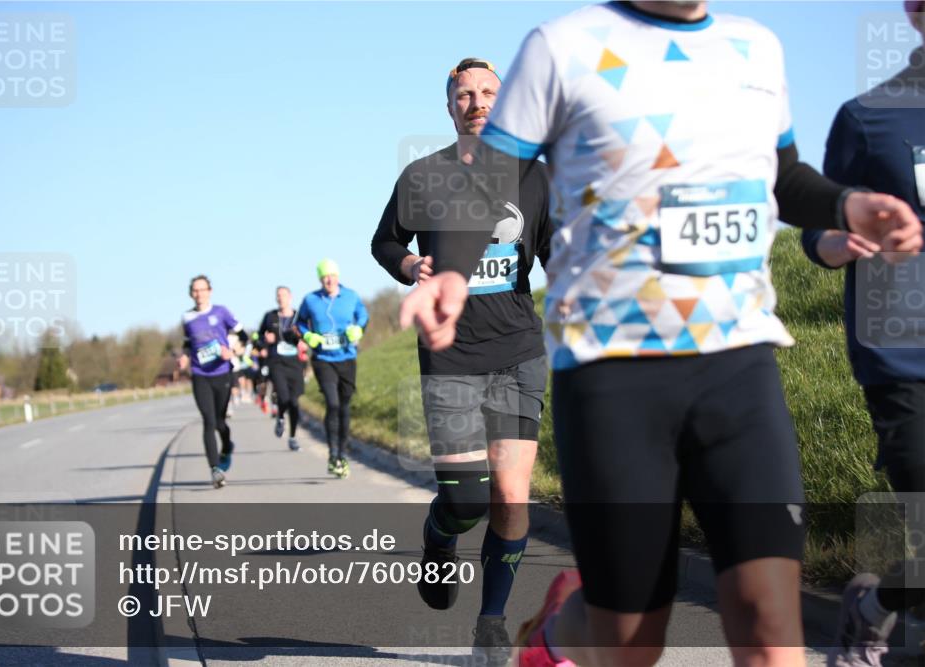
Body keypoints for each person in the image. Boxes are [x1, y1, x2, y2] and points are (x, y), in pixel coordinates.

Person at [397, 2, 924, 665]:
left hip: (739, 363)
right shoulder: (561, 47)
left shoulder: (754, 47)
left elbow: (783, 176)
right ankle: (558, 628)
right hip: (614, 369)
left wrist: (847, 203)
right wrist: (449, 270)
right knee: (628, 642)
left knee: (771, 629)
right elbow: (494, 176)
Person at [371, 57, 553, 663]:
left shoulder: (534, 176)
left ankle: (492, 622)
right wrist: (408, 266)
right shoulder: (423, 175)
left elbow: (559, 255)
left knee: (510, 496)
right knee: (466, 500)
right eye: (464, 94)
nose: (476, 102)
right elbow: (385, 240)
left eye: (487, 93)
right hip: (449, 357)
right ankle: (439, 539)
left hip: (519, 352)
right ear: (449, 107)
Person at [801, 4, 925, 664]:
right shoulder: (869, 117)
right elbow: (814, 228)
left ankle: (874, 606)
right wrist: (835, 243)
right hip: (903, 351)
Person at [297, 259, 369, 478]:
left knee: (344, 406)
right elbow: (299, 322)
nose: (329, 280)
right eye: (324, 276)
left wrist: (358, 329)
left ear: (338, 276)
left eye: (332, 276)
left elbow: (363, 316)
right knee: (333, 403)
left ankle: (343, 453)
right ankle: (332, 453)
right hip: (322, 359)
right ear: (320, 279)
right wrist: (309, 335)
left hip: (347, 358)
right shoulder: (310, 300)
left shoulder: (351, 296)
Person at [179, 275, 249, 489]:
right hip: (200, 375)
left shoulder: (221, 312)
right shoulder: (187, 317)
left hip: (222, 373)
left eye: (202, 289)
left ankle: (227, 445)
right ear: (191, 294)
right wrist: (183, 356)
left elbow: (244, 336)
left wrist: (235, 350)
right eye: (195, 290)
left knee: (220, 422)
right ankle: (215, 469)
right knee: (208, 421)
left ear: (210, 291)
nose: (199, 294)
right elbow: (188, 343)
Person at [258, 286, 308, 452]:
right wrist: (265, 341)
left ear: (290, 297)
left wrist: (304, 343)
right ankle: (280, 417)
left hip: (295, 363)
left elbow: (308, 335)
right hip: (276, 362)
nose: (281, 298)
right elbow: (258, 337)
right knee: (283, 396)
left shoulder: (298, 316)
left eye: (284, 295)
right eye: (278, 296)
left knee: (294, 402)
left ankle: (293, 437)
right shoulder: (270, 316)